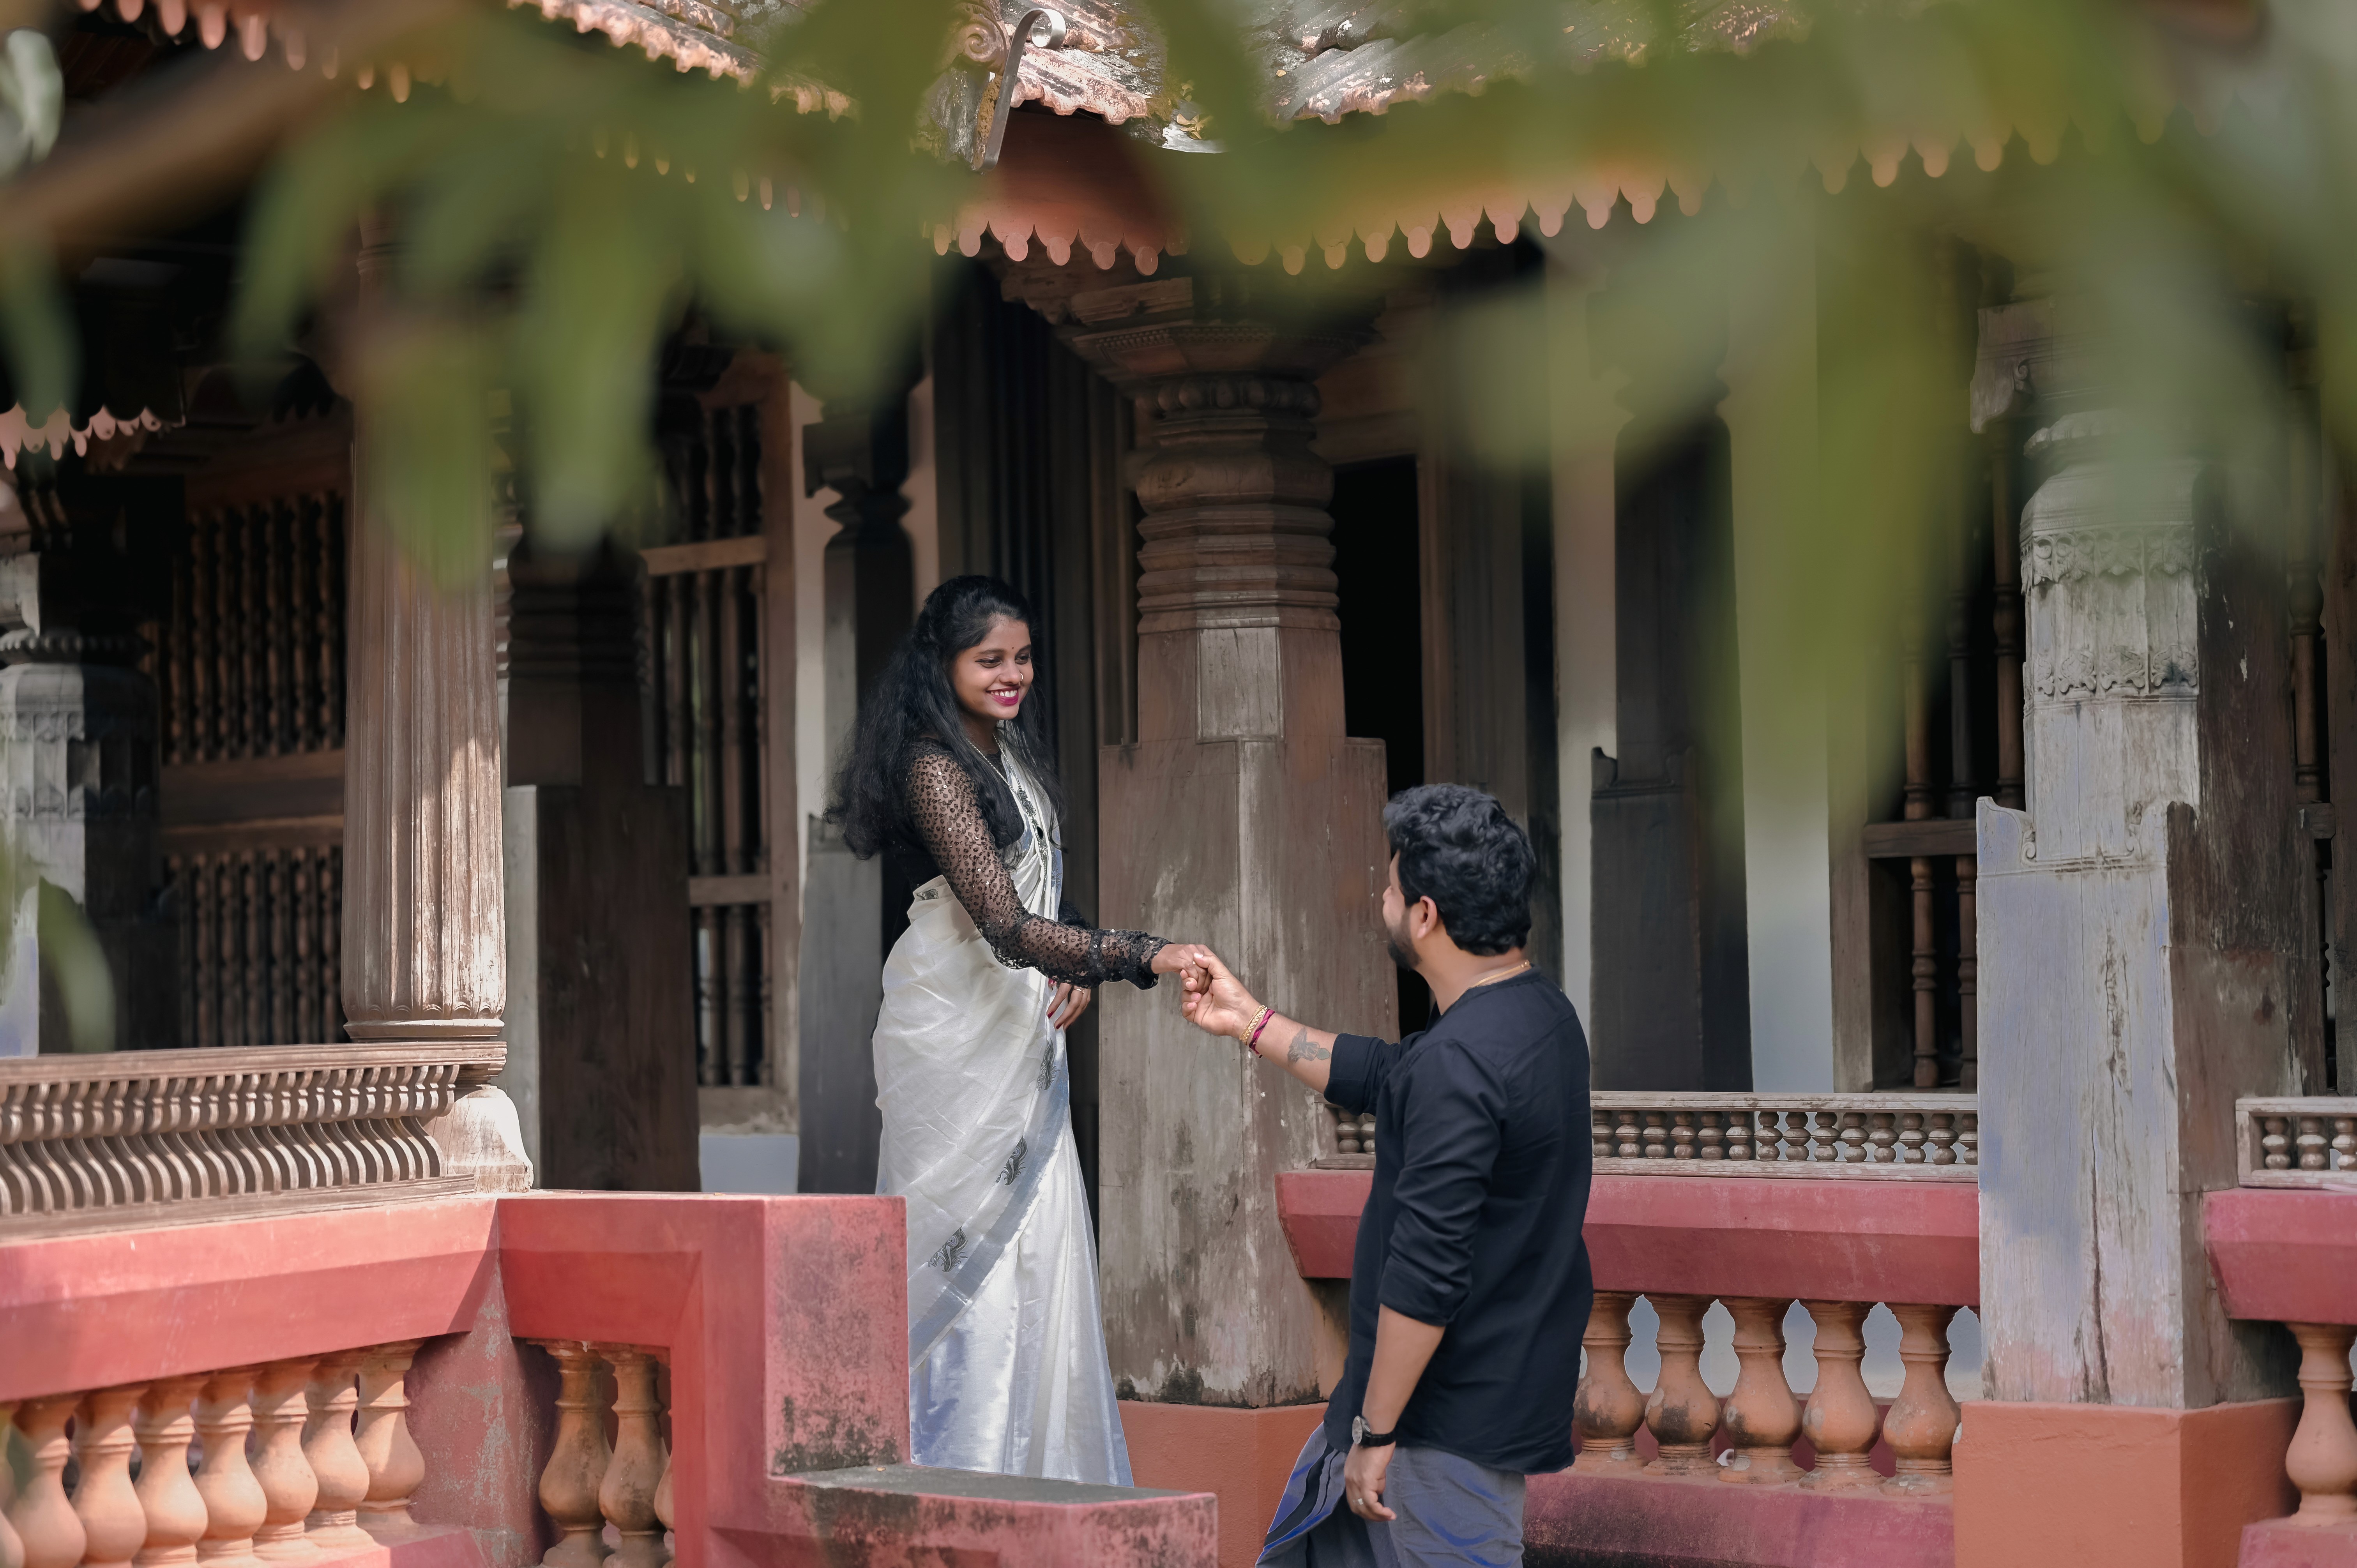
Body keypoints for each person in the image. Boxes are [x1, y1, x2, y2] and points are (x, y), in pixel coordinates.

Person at [826, 574, 1211, 1486]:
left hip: (1019, 1025)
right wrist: (1139, 953)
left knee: (1037, 1242)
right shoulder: (932, 763)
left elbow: (1037, 890)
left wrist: (1074, 955)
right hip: (953, 1026)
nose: (1012, 674)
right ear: (945, 662)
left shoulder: (1007, 748)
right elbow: (1001, 922)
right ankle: (957, 1478)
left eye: (1023, 656)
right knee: (966, 1253)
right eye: (989, 659)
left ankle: (1047, 1487)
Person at [1179, 784, 1593, 1567]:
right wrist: (1251, 1020)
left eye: (1392, 888)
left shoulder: (1460, 1060)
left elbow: (1426, 1273)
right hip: (1455, 1409)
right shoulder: (1542, 1018)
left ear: (1426, 915)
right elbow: (1389, 1070)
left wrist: (1377, 1431)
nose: (1382, 899)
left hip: (1436, 1433)